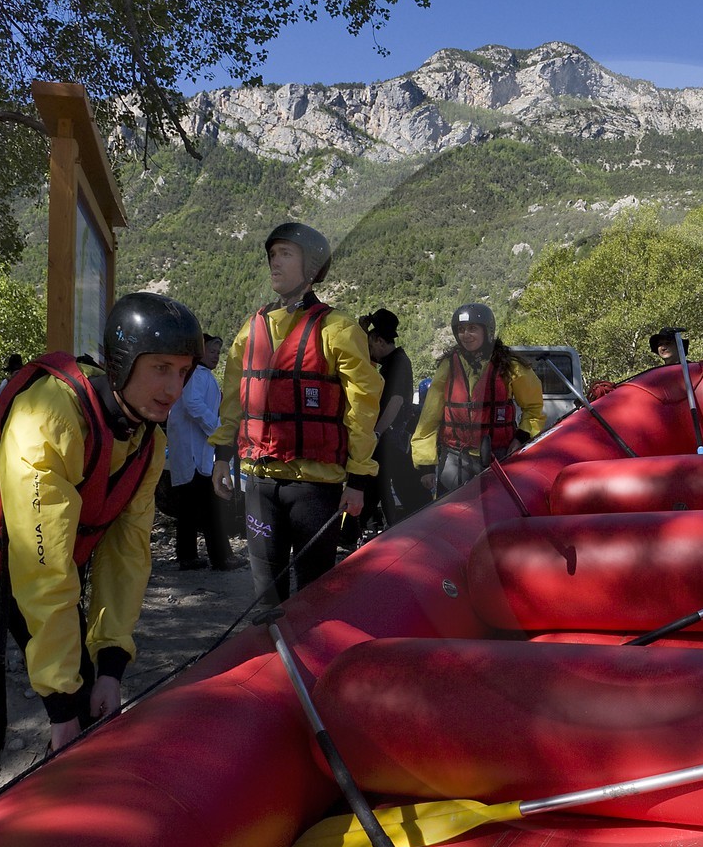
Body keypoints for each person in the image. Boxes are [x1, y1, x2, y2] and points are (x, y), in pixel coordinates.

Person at [0, 292, 203, 817]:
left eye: (185, 372)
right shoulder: (49, 416)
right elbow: (44, 565)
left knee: (88, 712)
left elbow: (127, 557)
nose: (174, 389)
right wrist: (59, 705)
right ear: (123, 365)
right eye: (161, 369)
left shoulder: (148, 444)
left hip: (43, 582)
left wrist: (110, 665)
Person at [211, 222, 383, 604]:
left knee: (314, 593)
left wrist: (359, 478)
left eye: (286, 254)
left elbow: (363, 406)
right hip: (259, 482)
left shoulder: (337, 328)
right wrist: (222, 455)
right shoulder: (251, 329)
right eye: (272, 254)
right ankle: (269, 658)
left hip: (315, 486)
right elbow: (234, 399)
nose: (275, 262)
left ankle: (311, 660)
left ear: (311, 266)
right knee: (266, 595)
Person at [412, 302, 544, 499]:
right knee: (452, 515)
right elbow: (429, 417)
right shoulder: (449, 365)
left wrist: (520, 438)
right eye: (461, 330)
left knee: (499, 510)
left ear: (487, 331)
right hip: (456, 457)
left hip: (499, 455)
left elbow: (533, 409)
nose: (466, 335)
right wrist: (426, 465)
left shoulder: (510, 365)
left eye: (472, 329)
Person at [168, 334, 240, 571]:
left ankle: (188, 556)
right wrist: (219, 430)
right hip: (193, 452)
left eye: (218, 352)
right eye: (211, 351)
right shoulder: (196, 375)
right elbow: (192, 404)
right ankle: (220, 557)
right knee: (209, 505)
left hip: (194, 451)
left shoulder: (199, 375)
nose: (216, 356)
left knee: (189, 507)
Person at [362, 307, 430, 526]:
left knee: (394, 487)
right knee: (382, 486)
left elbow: (396, 401)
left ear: (381, 341)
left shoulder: (396, 364)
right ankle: (392, 527)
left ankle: (417, 527)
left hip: (392, 438)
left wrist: (377, 433)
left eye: (371, 344)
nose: (370, 351)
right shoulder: (393, 361)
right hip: (392, 437)